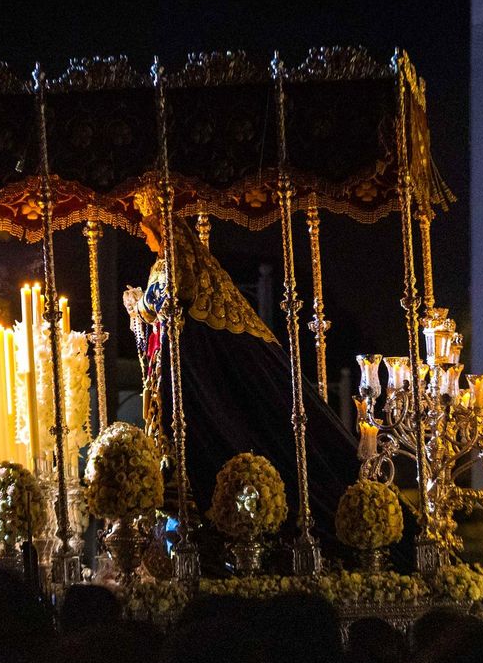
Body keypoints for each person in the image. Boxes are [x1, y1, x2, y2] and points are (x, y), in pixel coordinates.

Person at [127, 203, 358, 545]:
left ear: (163, 233)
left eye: (147, 235)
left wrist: (138, 305)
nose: (146, 242)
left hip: (187, 372)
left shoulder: (171, 266)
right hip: (170, 369)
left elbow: (168, 298)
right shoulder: (164, 265)